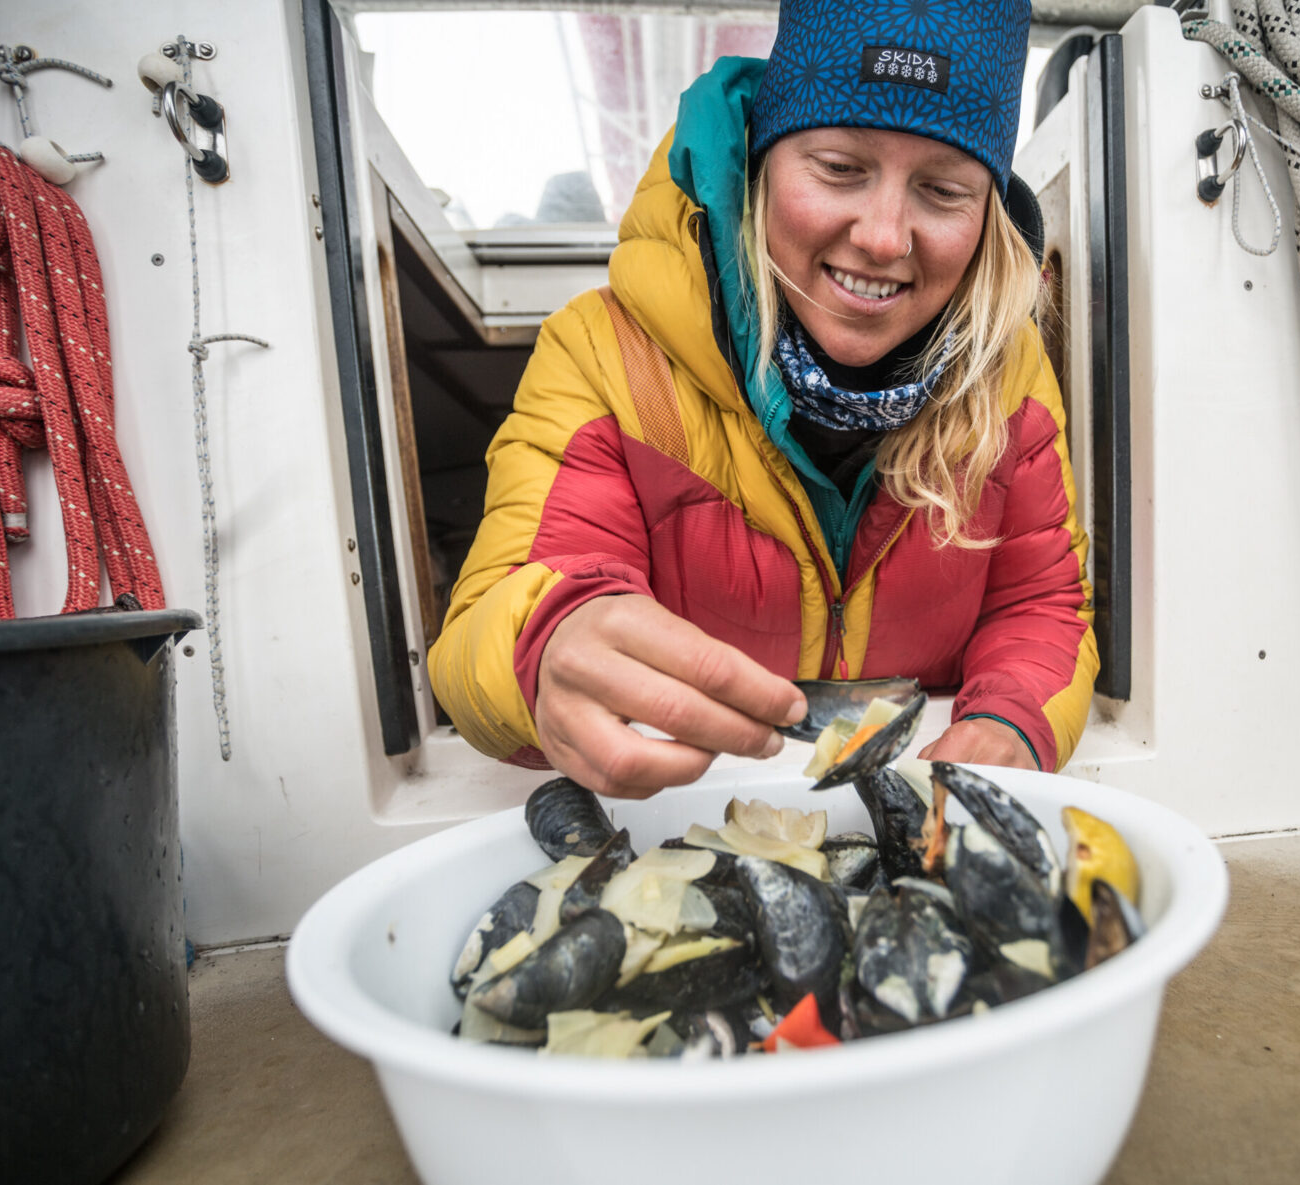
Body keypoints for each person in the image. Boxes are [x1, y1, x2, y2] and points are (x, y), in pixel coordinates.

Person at [428, 0, 1096, 799]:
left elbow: (1040, 601)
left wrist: (1013, 721)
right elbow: (493, 613)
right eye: (840, 168)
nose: (884, 237)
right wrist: (545, 643)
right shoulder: (601, 355)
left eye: (943, 189)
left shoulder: (1011, 376)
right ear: (761, 164)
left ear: (988, 213)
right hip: (682, 814)